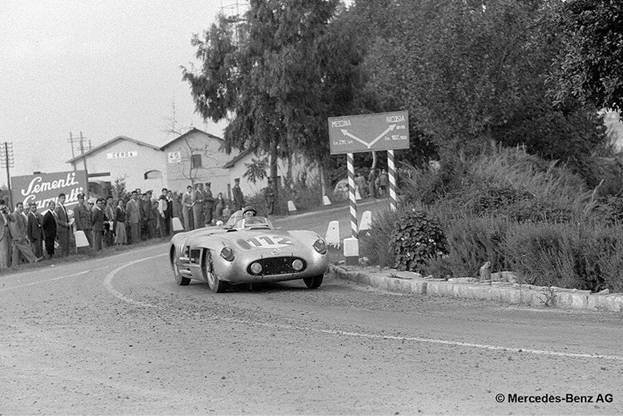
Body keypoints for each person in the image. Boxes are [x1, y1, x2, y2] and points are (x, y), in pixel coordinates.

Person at [0, 200, 12, 269]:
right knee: (3, 250)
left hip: (8, 232)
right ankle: (3, 266)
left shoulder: (6, 212)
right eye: (2, 205)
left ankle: (8, 265)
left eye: (3, 205)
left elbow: (13, 219)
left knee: (9, 250)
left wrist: (8, 212)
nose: (3, 206)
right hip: (1, 234)